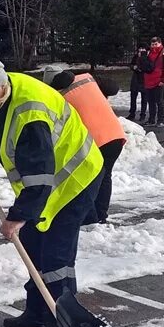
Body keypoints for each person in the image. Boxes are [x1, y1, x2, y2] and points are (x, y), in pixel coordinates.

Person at [0, 51, 103, 327]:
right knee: (31, 242)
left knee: (55, 257)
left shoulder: (31, 115)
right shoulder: (5, 91)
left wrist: (17, 217)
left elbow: (39, 178)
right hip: (50, 183)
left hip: (74, 179)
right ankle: (37, 313)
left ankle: (61, 325)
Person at [47, 70, 125, 226]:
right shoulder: (86, 79)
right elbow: (113, 88)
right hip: (115, 134)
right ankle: (100, 215)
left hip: (94, 141)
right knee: (105, 176)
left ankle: (90, 219)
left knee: (87, 179)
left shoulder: (55, 96)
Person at [142, 36, 164, 127]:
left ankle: (161, 120)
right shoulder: (148, 53)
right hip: (149, 81)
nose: (154, 46)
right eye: (152, 44)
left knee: (160, 101)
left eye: (156, 44)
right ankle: (151, 119)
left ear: (160, 43)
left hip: (159, 81)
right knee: (151, 102)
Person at [127, 46, 149, 122]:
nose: (141, 51)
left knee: (144, 98)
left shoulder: (147, 57)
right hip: (136, 78)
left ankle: (143, 115)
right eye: (140, 49)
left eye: (143, 49)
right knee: (133, 96)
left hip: (144, 79)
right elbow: (131, 65)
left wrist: (141, 67)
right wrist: (134, 67)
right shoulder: (136, 56)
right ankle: (132, 113)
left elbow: (148, 67)